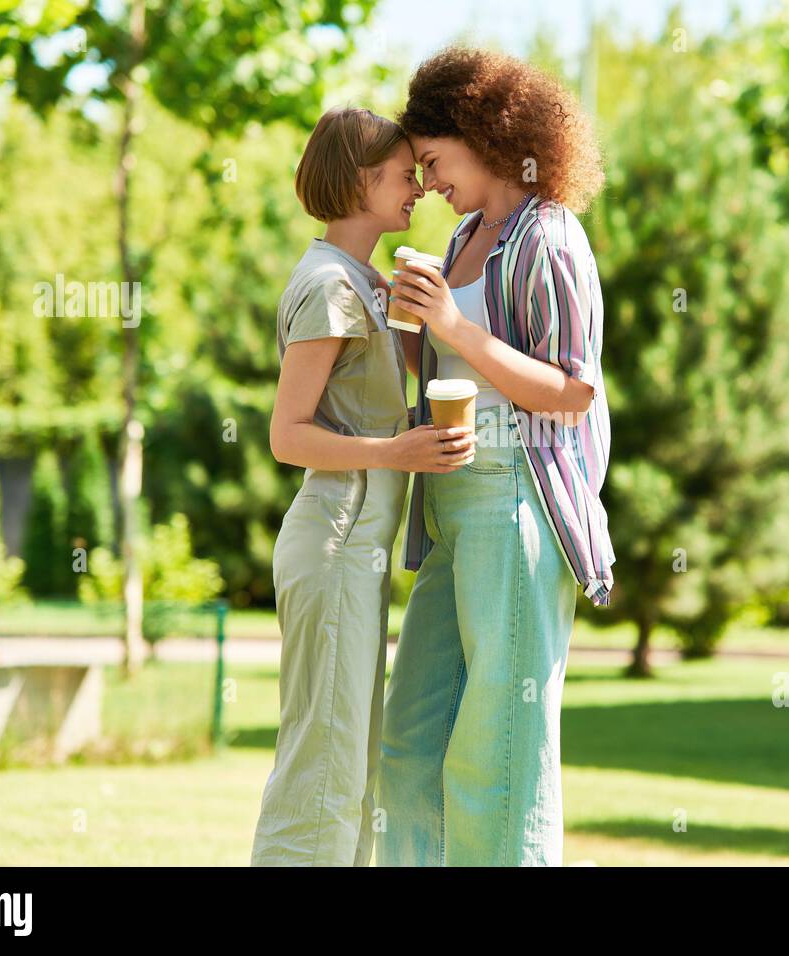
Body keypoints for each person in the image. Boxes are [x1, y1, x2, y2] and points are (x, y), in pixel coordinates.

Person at [379, 47, 616, 866]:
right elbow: (450, 371)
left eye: (435, 161)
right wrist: (408, 327)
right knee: (408, 750)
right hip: (449, 501)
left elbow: (571, 389)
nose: (430, 184)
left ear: (485, 134)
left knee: (496, 760)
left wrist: (449, 325)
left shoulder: (549, 236)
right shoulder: (461, 243)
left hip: (517, 499)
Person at [250, 106, 476, 866]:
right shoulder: (330, 287)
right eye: (402, 172)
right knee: (324, 769)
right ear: (357, 179)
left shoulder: (360, 282)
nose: (418, 186)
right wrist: (398, 451)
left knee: (348, 768)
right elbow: (289, 434)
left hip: (356, 550)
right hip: (336, 540)